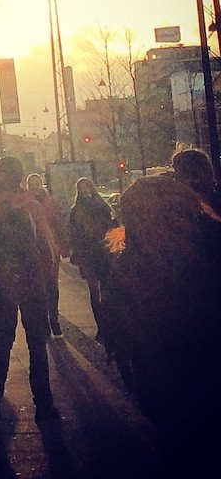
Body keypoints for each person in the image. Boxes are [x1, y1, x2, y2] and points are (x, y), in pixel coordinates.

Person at [101, 175, 221, 475]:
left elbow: (119, 320)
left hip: (162, 381)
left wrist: (127, 361)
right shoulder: (210, 240)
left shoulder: (130, 262)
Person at [0, 156, 59, 422]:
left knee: (3, 339)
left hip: (3, 281)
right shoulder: (30, 203)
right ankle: (43, 404)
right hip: (32, 280)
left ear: (1, 174)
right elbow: (48, 244)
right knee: (37, 342)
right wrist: (47, 276)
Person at [68, 177, 114, 343]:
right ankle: (102, 326)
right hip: (88, 255)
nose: (85, 190)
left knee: (107, 289)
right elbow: (75, 235)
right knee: (95, 291)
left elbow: (111, 225)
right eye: (81, 187)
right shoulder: (76, 210)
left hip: (103, 252)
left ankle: (109, 324)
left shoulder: (102, 206)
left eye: (87, 186)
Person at [26, 173, 69, 337]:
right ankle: (44, 321)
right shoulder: (26, 203)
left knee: (52, 285)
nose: (34, 186)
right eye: (31, 184)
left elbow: (58, 224)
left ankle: (54, 318)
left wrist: (63, 245)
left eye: (37, 183)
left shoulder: (50, 203)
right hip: (34, 249)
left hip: (50, 248)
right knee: (39, 286)